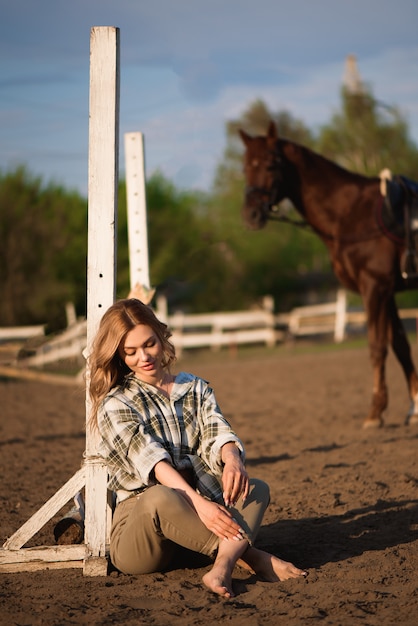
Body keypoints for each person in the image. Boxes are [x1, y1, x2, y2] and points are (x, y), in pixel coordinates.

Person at [88, 298, 307, 597]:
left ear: (161, 336)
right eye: (131, 352)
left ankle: (221, 566)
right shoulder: (117, 402)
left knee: (255, 489)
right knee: (160, 497)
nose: (144, 357)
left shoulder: (195, 388)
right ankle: (251, 557)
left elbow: (217, 431)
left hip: (193, 531)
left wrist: (232, 460)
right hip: (143, 537)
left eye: (149, 344)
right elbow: (152, 462)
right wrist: (197, 503)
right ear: (119, 355)